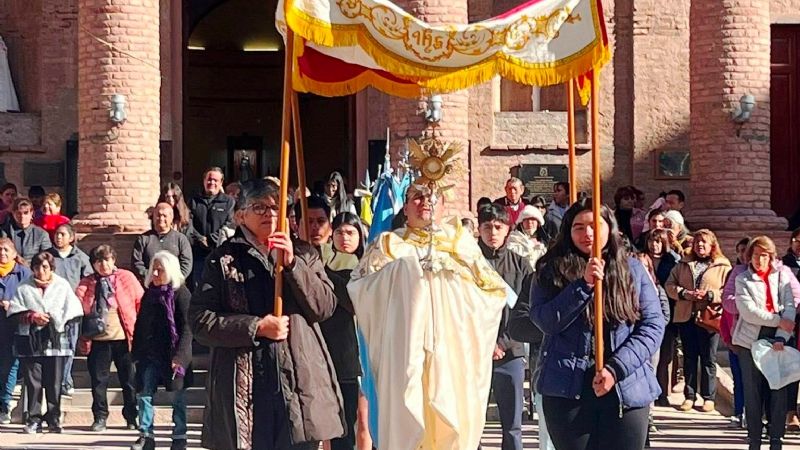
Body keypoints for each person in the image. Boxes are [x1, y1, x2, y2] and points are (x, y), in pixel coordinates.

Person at [348, 184, 509, 450]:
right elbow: (360, 288)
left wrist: (451, 274)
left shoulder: (461, 243)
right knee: (408, 412)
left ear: (443, 205)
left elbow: (493, 291)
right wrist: (403, 271)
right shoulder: (388, 244)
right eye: (417, 197)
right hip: (405, 350)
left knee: (450, 413)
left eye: (433, 197)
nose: (425, 202)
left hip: (451, 348)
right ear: (406, 206)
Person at [189, 179, 344, 450]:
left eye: (276, 208)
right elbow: (201, 321)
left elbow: (324, 307)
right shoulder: (222, 259)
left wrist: (293, 265)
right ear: (240, 215)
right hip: (245, 384)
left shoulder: (304, 253)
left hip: (298, 382)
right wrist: (256, 327)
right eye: (259, 207)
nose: (270, 214)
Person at [529, 198, 664, 450]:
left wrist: (616, 368)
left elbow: (653, 325)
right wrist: (583, 286)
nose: (587, 233)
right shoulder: (550, 269)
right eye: (578, 227)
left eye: (594, 225)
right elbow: (546, 321)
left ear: (609, 227)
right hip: (568, 389)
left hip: (625, 385)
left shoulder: (632, 269)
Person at [477, 204, 534, 450]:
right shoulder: (468, 262)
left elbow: (528, 309)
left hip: (510, 352)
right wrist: (485, 343)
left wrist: (502, 342)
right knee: (471, 420)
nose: (492, 232)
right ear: (478, 229)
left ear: (508, 230)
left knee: (512, 423)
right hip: (473, 351)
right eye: (487, 226)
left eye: (498, 227)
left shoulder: (521, 265)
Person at [733, 236, 798, 450]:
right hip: (750, 338)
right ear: (749, 257)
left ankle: (776, 438)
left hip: (778, 337)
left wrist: (782, 335)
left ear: (771, 256)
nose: (760, 260)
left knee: (778, 389)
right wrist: (781, 320)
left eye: (764, 255)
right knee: (753, 391)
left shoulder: (782, 277)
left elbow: (789, 304)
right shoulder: (743, 279)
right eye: (756, 255)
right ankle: (754, 439)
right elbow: (748, 312)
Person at [8, 251, 83, 434]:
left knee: (54, 381)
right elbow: (14, 310)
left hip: (55, 338)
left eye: (45, 267)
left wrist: (55, 318)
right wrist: (32, 316)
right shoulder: (23, 287)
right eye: (37, 267)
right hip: (30, 340)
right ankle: (33, 419)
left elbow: (74, 310)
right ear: (32, 269)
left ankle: (53, 418)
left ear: (51, 268)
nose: (41, 271)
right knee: (33, 382)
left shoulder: (62, 285)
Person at [76, 244, 143, 432]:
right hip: (98, 341)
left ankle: (131, 416)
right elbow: (78, 306)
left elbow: (140, 302)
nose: (103, 264)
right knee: (98, 382)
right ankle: (100, 417)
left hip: (124, 338)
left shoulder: (126, 277)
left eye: (106, 259)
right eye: (98, 261)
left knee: (129, 380)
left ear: (113, 259)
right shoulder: (86, 283)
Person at [130, 251, 193, 450]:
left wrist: (180, 357)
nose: (156, 274)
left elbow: (187, 328)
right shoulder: (149, 294)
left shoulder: (181, 294)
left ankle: (179, 436)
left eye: (160, 270)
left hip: (173, 354)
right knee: (144, 394)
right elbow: (141, 324)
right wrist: (136, 353)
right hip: (150, 353)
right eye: (154, 269)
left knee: (177, 397)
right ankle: (146, 435)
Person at [665, 229, 731, 413]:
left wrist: (710, 295)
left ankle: (708, 397)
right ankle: (690, 395)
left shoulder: (723, 266)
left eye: (704, 242)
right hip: (687, 317)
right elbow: (669, 285)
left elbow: (728, 290)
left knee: (709, 358)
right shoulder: (683, 264)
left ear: (712, 245)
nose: (700, 245)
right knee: (689, 358)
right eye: (697, 242)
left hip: (709, 318)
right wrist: (684, 294)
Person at [319, 212, 370, 450]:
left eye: (350, 232)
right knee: (339, 425)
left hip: (366, 351)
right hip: (337, 353)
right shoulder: (324, 263)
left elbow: (354, 301)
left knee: (366, 421)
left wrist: (327, 277)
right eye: (339, 232)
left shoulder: (369, 266)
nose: (344, 237)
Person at [47, 223, 93, 396]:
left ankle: (65, 380)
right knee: (54, 345)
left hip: (72, 309)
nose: (58, 237)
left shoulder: (80, 258)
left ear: (71, 238)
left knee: (70, 346)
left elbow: (87, 281)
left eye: (62, 234)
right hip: (52, 308)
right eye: (57, 234)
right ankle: (56, 380)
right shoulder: (48, 256)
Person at [646, 229, 682, 406]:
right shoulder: (641, 259)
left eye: (659, 241)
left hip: (667, 312)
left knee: (665, 355)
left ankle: (662, 392)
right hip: (646, 313)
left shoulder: (673, 261)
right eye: (652, 241)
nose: (655, 245)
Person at [721, 237, 753, 428]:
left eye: (746, 250)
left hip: (757, 337)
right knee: (739, 379)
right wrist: (727, 337)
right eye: (739, 251)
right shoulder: (734, 275)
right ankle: (738, 411)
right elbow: (726, 311)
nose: (743, 255)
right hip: (735, 335)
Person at [188, 167, 235, 287]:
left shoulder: (229, 202)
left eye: (215, 180)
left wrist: (210, 239)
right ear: (204, 181)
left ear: (221, 183)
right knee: (199, 287)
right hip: (198, 254)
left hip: (220, 253)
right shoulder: (193, 201)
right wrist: (200, 239)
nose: (212, 183)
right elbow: (188, 224)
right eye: (209, 180)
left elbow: (230, 224)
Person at [0, 238, 30, 424]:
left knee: (9, 366)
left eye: (5, 250)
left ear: (13, 253)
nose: (2, 253)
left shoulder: (23, 273)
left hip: (14, 326)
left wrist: (13, 305)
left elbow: (31, 298)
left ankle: (4, 405)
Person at [131, 202, 193, 283]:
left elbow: (186, 263)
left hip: (174, 286)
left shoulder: (181, 239)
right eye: (158, 215)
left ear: (171, 218)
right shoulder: (143, 239)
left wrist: (173, 279)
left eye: (164, 216)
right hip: (150, 286)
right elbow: (137, 263)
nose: (161, 219)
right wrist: (152, 277)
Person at [0, 197, 52, 263]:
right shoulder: (5, 231)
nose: (22, 216)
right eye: (19, 213)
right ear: (13, 213)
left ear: (31, 213)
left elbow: (47, 258)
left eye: (25, 213)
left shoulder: (41, 234)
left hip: (34, 270)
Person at [506, 204, 547, 270]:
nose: (530, 222)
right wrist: (530, 246)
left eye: (533, 219)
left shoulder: (545, 242)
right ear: (521, 223)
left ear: (538, 223)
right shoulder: (513, 238)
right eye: (526, 220)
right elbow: (512, 255)